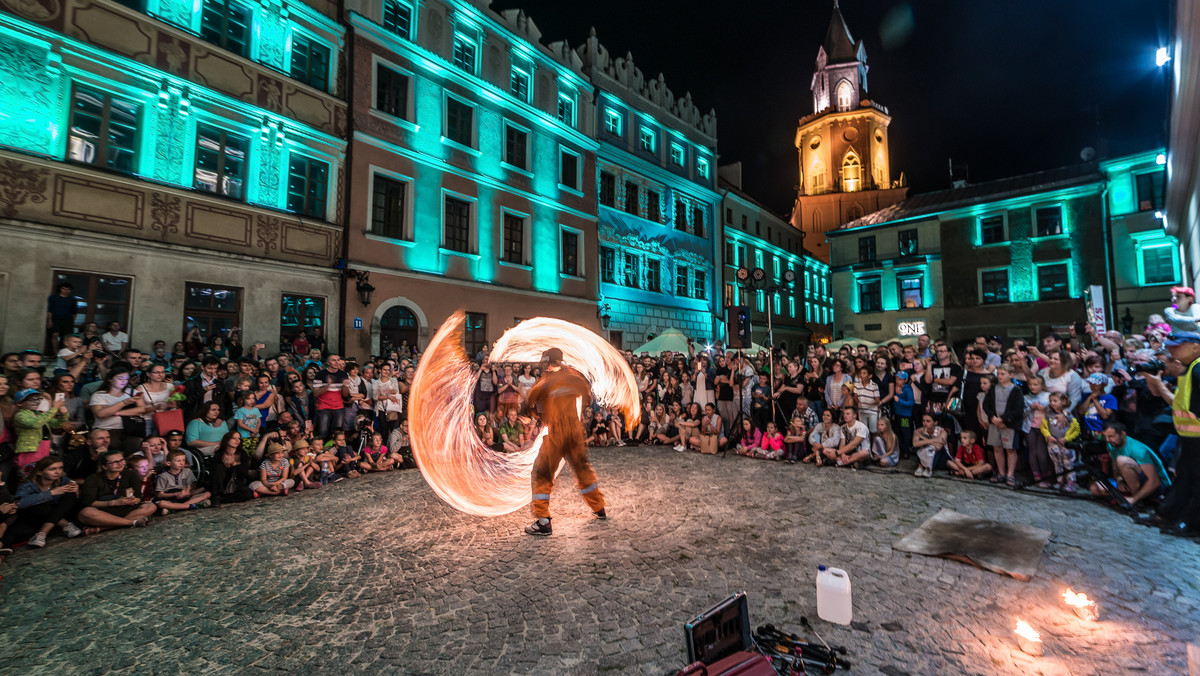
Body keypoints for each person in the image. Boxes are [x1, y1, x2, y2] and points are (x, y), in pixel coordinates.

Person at [521, 347, 610, 536]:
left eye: (545, 361)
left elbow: (530, 401)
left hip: (557, 432)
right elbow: (587, 394)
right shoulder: (573, 377)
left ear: (549, 361)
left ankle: (543, 521)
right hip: (575, 431)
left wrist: (539, 412)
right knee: (582, 468)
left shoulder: (546, 382)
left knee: (543, 472)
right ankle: (598, 506)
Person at [1157, 331, 1200, 536]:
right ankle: (1172, 516)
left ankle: (1192, 525)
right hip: (1190, 437)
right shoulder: (1190, 368)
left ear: (1195, 346)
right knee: (1185, 477)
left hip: (1197, 437)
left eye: (1178, 346)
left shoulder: (1198, 368)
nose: (1172, 349)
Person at [13, 455, 87, 548]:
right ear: (40, 472)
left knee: (70, 494)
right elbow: (18, 503)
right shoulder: (28, 486)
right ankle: (65, 525)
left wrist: (76, 491)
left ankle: (42, 533)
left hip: (58, 516)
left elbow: (71, 501)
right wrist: (51, 493)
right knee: (41, 504)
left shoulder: (63, 480)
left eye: (60, 468)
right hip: (38, 519)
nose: (58, 472)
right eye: (52, 469)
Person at [1092, 422, 1170, 507]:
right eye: (1105, 436)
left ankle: (1136, 499)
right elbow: (1115, 469)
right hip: (1130, 481)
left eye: (1111, 436)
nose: (1108, 440)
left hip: (1157, 486)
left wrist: (1134, 499)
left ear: (1123, 434)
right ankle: (1131, 497)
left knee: (1122, 461)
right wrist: (1119, 480)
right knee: (1095, 488)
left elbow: (1155, 482)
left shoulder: (1138, 450)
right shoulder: (1112, 445)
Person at [78, 450, 156, 530]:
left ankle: (103, 528)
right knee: (85, 513)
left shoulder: (130, 474)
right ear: (104, 466)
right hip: (104, 511)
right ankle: (131, 522)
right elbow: (89, 502)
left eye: (122, 460)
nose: (120, 464)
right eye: (115, 462)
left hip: (127, 509)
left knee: (151, 506)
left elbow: (138, 495)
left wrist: (134, 500)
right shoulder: (93, 479)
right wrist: (113, 503)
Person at [983, 364, 1024, 485]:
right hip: (995, 423)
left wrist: (1004, 420)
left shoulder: (1016, 390)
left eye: (1003, 374)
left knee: (1010, 449)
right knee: (997, 447)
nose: (999, 376)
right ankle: (1001, 472)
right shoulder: (993, 388)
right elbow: (986, 405)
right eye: (998, 374)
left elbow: (1018, 409)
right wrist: (992, 417)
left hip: (1008, 424)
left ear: (1011, 375)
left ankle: (1010, 474)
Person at [1041, 392, 1081, 493]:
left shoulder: (1068, 415)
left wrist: (1067, 438)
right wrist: (1048, 436)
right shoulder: (1048, 414)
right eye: (1050, 401)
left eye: (1055, 401)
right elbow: (1043, 426)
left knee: (1068, 464)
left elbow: (1076, 429)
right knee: (1057, 463)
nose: (1052, 403)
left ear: (1063, 402)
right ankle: (1060, 481)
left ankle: (1071, 483)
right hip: (1053, 444)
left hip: (1065, 445)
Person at [913, 413, 948, 478]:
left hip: (940, 456)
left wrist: (923, 438)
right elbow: (915, 444)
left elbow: (938, 447)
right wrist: (933, 440)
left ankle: (928, 468)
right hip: (925, 454)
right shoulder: (919, 430)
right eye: (923, 421)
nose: (925, 423)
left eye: (928, 421)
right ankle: (920, 467)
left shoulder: (942, 432)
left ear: (935, 422)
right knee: (921, 446)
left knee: (931, 447)